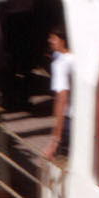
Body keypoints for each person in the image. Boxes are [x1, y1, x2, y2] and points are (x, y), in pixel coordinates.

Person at [44, 29, 72, 160]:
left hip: (69, 119)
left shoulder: (60, 64)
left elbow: (62, 99)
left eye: (53, 38)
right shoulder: (68, 57)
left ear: (63, 41)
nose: (50, 41)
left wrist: (55, 137)